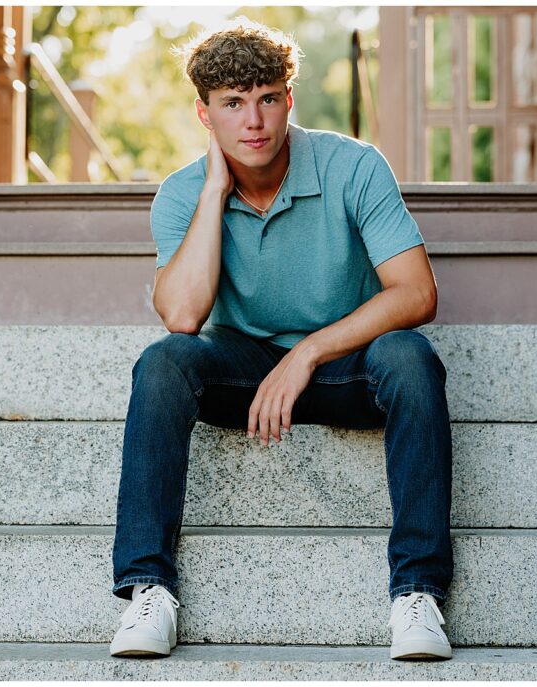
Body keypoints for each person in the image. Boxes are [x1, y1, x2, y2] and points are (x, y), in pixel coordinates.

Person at [109, 18, 453, 661]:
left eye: (267, 97)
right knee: (162, 364)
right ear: (204, 114)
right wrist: (216, 191)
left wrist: (309, 351)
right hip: (246, 373)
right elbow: (183, 317)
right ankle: (146, 590)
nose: (254, 121)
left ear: (289, 98)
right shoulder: (183, 193)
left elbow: (416, 294)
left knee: (410, 357)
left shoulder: (354, 166)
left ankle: (418, 593)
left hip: (348, 365)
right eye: (232, 104)